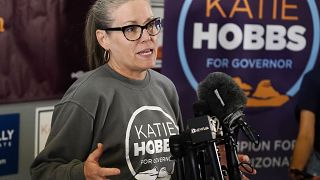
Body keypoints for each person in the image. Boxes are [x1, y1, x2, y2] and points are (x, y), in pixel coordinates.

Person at [30, 0, 255, 179]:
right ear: (104, 38)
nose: (147, 37)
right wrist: (81, 174)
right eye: (131, 29)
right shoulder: (87, 95)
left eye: (150, 25)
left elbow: (173, 163)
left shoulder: (165, 87)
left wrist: (213, 162)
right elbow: (44, 170)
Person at [289, 69, 320, 180]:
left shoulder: (314, 77)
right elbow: (306, 136)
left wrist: (296, 171)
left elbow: (306, 135)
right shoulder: (314, 78)